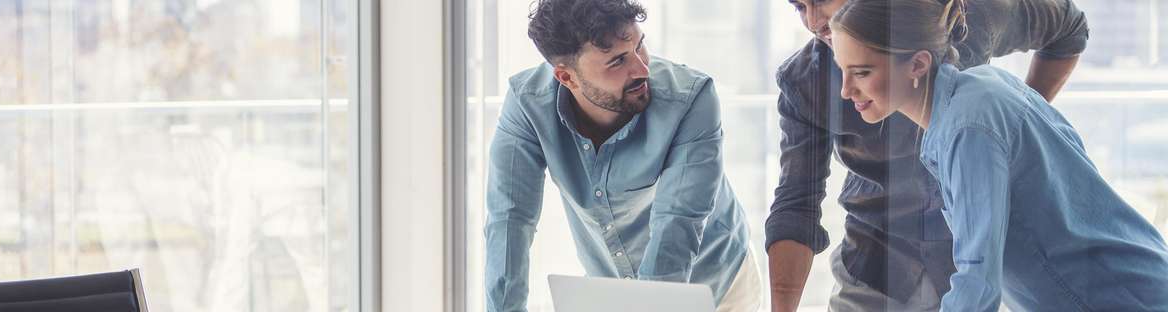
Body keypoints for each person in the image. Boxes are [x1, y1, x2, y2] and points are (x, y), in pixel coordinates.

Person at [827, 0, 1168, 310]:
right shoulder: (984, 88)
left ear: (917, 64)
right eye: (842, 70)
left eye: (861, 72)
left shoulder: (968, 128)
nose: (846, 90)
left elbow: (977, 285)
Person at [764, 0, 1090, 310]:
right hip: (876, 262)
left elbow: (1069, 28)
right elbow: (796, 204)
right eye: (799, 7)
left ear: (919, 63)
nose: (812, 21)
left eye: (819, 2)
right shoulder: (805, 79)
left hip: (974, 258)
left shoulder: (963, 18)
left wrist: (1021, 124)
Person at [484, 0, 762, 311]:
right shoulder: (528, 104)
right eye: (617, 61)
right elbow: (509, 221)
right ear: (567, 78)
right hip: (611, 285)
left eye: (639, 46)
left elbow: (676, 226)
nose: (642, 69)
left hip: (715, 280)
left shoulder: (691, 99)